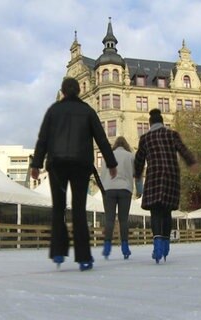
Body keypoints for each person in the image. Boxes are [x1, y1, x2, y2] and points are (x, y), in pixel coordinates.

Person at [30, 77, 118, 271]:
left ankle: (59, 252)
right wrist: (111, 163)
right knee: (79, 209)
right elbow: (101, 138)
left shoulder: (53, 111)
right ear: (78, 91)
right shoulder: (88, 111)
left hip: (57, 164)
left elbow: (43, 138)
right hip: (80, 164)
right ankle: (84, 257)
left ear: (62, 91)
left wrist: (36, 164)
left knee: (58, 208)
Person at [135, 109, 198, 263]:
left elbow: (139, 159)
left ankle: (157, 246)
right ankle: (166, 245)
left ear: (150, 124)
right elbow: (183, 150)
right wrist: (192, 162)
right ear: (162, 122)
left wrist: (137, 175)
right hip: (171, 176)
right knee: (167, 211)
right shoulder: (172, 134)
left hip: (154, 175)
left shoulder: (145, 138)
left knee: (156, 211)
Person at [100, 136, 134, 260]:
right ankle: (125, 247)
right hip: (125, 189)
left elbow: (103, 174)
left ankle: (107, 247)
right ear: (125, 145)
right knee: (123, 220)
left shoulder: (108, 155)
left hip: (109, 188)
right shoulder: (130, 156)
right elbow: (135, 172)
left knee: (109, 219)